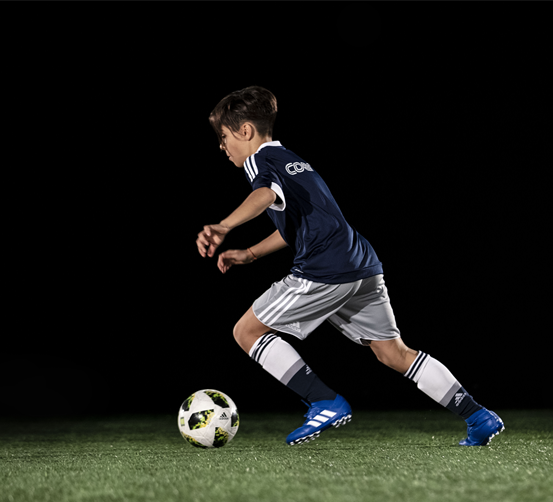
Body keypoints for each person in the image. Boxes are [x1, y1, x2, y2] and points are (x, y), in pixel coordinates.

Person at [195, 86, 504, 446]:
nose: (222, 146)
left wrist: (224, 226)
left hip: (326, 269)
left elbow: (264, 196)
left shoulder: (260, 162)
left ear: (245, 131)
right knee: (393, 353)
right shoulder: (292, 159)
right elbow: (298, 226)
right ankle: (477, 416)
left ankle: (323, 400)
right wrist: (248, 254)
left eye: (224, 136)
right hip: (361, 265)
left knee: (246, 332)